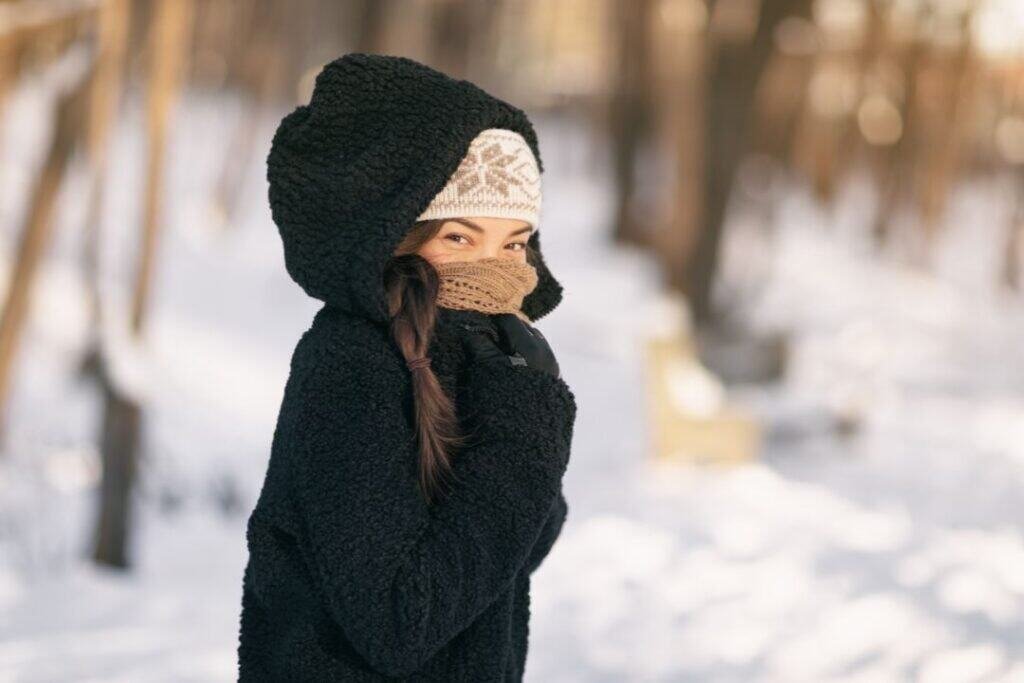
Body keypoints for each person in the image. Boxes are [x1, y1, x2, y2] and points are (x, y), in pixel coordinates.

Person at [236, 52, 578, 682]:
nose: (496, 270)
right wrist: (528, 433)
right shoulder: (352, 364)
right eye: (459, 238)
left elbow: (509, 554)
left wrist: (517, 398)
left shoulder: (476, 350)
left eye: (515, 243)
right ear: (394, 235)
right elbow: (404, 620)